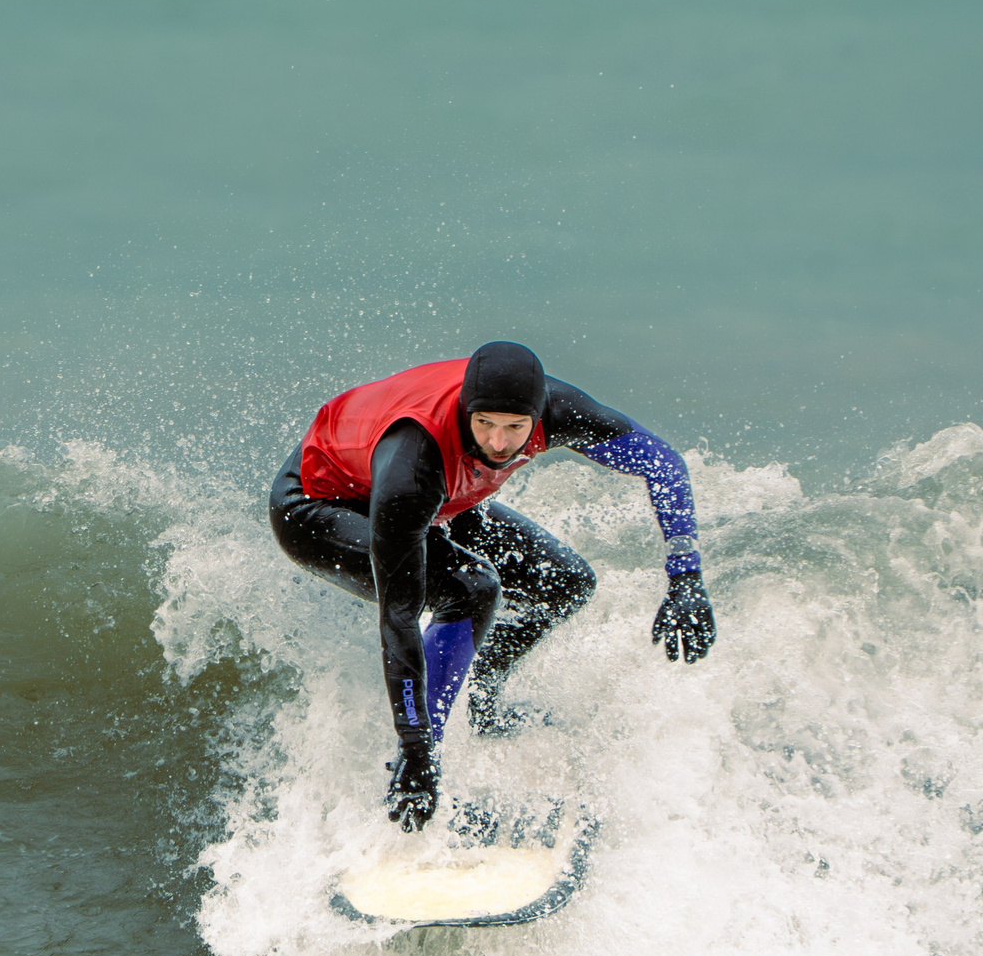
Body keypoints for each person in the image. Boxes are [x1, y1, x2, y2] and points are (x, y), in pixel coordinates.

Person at [270, 341, 717, 830]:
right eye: (483, 424)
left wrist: (686, 577)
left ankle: (482, 701)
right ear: (465, 409)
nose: (499, 444)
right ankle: (417, 764)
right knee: (470, 588)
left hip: (436, 499)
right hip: (321, 505)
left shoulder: (561, 411)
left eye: (514, 428)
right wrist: (416, 747)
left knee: (565, 583)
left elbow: (663, 463)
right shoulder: (414, 462)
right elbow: (398, 614)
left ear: (539, 417)